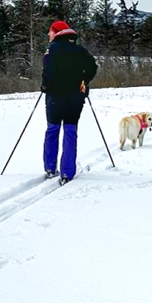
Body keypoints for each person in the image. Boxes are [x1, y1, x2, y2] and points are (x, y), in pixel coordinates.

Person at [41, 20, 98, 183]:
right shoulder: (79, 50)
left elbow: (48, 71)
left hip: (55, 97)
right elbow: (93, 67)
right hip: (75, 98)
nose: (48, 34)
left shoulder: (51, 49)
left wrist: (45, 86)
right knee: (70, 131)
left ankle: (50, 168)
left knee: (52, 130)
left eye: (50, 31)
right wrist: (83, 81)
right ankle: (67, 172)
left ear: (57, 32)